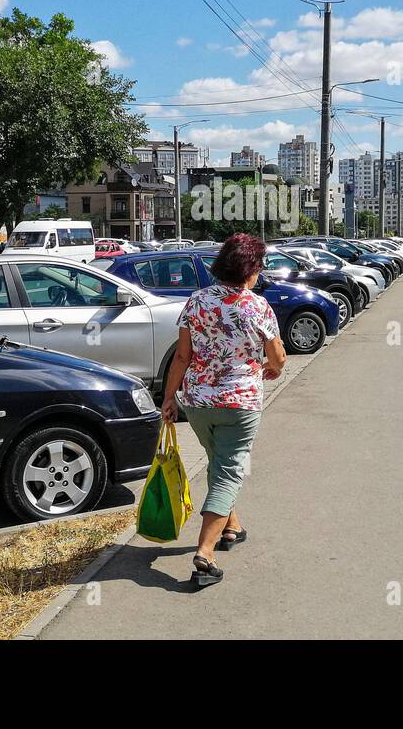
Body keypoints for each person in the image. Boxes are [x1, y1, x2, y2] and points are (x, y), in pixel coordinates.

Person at [160, 232, 286, 587]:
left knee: (219, 463)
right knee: (229, 472)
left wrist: (169, 398)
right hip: (240, 403)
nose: (259, 273)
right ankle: (205, 553)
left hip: (198, 402)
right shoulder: (257, 306)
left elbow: (182, 356)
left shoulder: (196, 301)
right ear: (249, 269)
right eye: (258, 266)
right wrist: (273, 367)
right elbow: (277, 357)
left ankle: (232, 527)